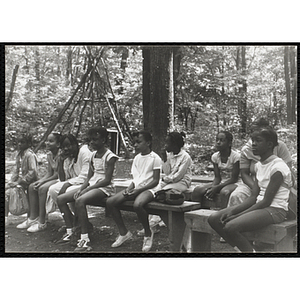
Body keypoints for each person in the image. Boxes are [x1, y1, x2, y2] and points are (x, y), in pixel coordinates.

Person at [208, 126, 292, 253]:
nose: (254, 144)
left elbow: (266, 201)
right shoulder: (259, 165)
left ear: (270, 144)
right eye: (253, 140)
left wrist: (237, 215)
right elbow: (254, 197)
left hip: (275, 209)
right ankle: (243, 250)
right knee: (214, 219)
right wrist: (233, 211)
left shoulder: (278, 167)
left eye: (258, 141)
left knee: (231, 227)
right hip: (261, 204)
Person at [56, 127, 119, 251]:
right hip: (92, 185)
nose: (92, 143)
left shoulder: (110, 156)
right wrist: (82, 188)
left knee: (80, 200)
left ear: (103, 140)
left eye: (95, 140)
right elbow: (89, 176)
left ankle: (84, 239)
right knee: (61, 198)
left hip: (104, 188)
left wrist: (87, 189)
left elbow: (106, 180)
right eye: (90, 140)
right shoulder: (93, 155)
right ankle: (71, 231)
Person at [106, 130, 161, 252]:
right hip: (137, 188)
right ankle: (123, 232)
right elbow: (136, 178)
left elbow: (155, 181)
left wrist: (138, 190)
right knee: (110, 202)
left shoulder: (155, 158)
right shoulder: (136, 158)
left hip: (150, 189)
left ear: (148, 143)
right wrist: (129, 189)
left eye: (138, 142)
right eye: (134, 142)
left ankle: (147, 233)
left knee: (138, 205)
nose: (135, 145)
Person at [227, 118, 294, 208]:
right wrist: (255, 188)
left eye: (258, 131)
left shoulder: (279, 146)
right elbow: (244, 174)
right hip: (252, 183)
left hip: (277, 184)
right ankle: (232, 216)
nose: (254, 134)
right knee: (237, 195)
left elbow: (287, 170)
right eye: (252, 131)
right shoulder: (247, 150)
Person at [137, 132, 192, 236]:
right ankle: (153, 225)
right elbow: (167, 172)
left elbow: (178, 176)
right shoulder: (170, 155)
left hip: (182, 182)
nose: (165, 145)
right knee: (153, 192)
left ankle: (153, 223)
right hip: (169, 181)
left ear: (174, 144)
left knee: (162, 193)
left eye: (167, 143)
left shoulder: (185, 157)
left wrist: (165, 179)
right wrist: (165, 159)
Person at [16, 133, 62, 232]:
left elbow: (57, 174)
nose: (47, 143)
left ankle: (42, 221)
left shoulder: (60, 155)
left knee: (42, 188)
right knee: (32, 186)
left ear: (58, 144)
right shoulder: (49, 154)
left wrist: (43, 182)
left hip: (61, 178)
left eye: (51, 141)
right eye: (47, 140)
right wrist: (40, 181)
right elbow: (49, 172)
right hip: (53, 177)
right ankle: (32, 218)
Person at [47, 133, 92, 218]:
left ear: (75, 144)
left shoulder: (84, 152)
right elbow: (63, 179)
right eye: (63, 147)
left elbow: (85, 176)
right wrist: (60, 162)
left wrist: (67, 184)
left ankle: (81, 221)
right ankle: (70, 218)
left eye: (68, 145)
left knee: (68, 191)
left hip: (88, 183)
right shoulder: (68, 156)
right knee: (53, 189)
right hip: (75, 182)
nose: (66, 149)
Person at [192, 131, 240, 209]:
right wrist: (213, 187)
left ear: (229, 143)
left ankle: (222, 215)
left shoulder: (236, 157)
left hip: (235, 183)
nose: (218, 142)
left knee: (224, 192)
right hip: (221, 182)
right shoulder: (215, 157)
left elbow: (234, 179)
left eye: (222, 140)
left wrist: (217, 188)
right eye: (217, 140)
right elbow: (217, 177)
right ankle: (197, 214)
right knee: (197, 190)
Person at [5, 133, 38, 226]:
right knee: (7, 191)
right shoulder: (19, 155)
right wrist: (12, 181)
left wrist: (20, 182)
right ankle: (6, 218)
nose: (20, 144)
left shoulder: (30, 155)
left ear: (28, 143)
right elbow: (16, 170)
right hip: (21, 181)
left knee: (27, 192)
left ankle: (30, 218)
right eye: (18, 142)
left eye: (22, 142)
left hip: (30, 182)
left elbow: (33, 172)